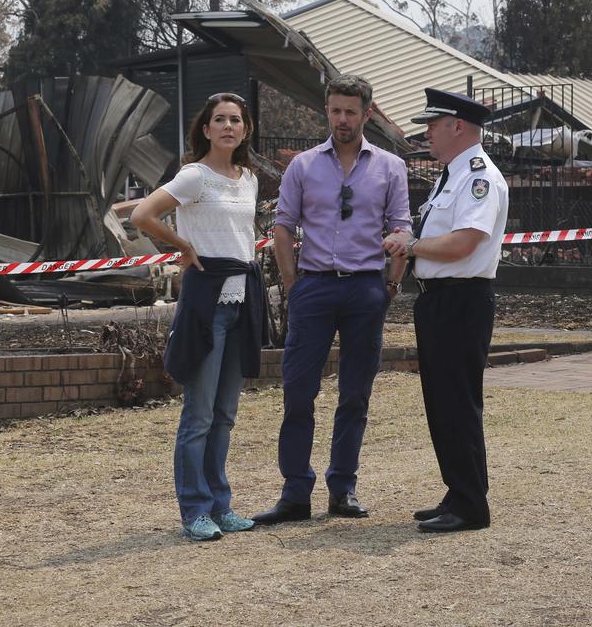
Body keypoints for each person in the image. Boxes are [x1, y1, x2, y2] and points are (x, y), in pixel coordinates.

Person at [253, 74, 411, 524]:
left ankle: (343, 488)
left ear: (367, 113)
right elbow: (283, 225)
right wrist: (291, 284)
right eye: (336, 111)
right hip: (314, 288)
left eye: (351, 112)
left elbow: (401, 225)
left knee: (355, 394)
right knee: (298, 392)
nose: (343, 120)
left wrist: (391, 285)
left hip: (366, 288)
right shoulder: (303, 166)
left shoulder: (389, 167)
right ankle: (294, 493)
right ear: (327, 111)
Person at [131, 92, 269, 542]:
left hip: (241, 304)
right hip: (206, 308)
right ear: (205, 129)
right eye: (220, 120)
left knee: (226, 413)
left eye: (236, 119)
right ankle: (195, 510)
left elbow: (243, 237)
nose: (229, 126)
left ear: (245, 129)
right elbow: (141, 214)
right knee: (199, 416)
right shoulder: (194, 176)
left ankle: (221, 504)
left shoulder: (248, 178)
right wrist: (183, 246)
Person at [383, 88, 508, 533]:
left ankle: (471, 505)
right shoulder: (450, 176)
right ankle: (459, 491)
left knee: (457, 402)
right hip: (439, 298)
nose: (427, 134)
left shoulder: (478, 177)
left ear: (458, 126)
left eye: (433, 126)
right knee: (442, 402)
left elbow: (464, 242)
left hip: (462, 298)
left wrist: (411, 246)